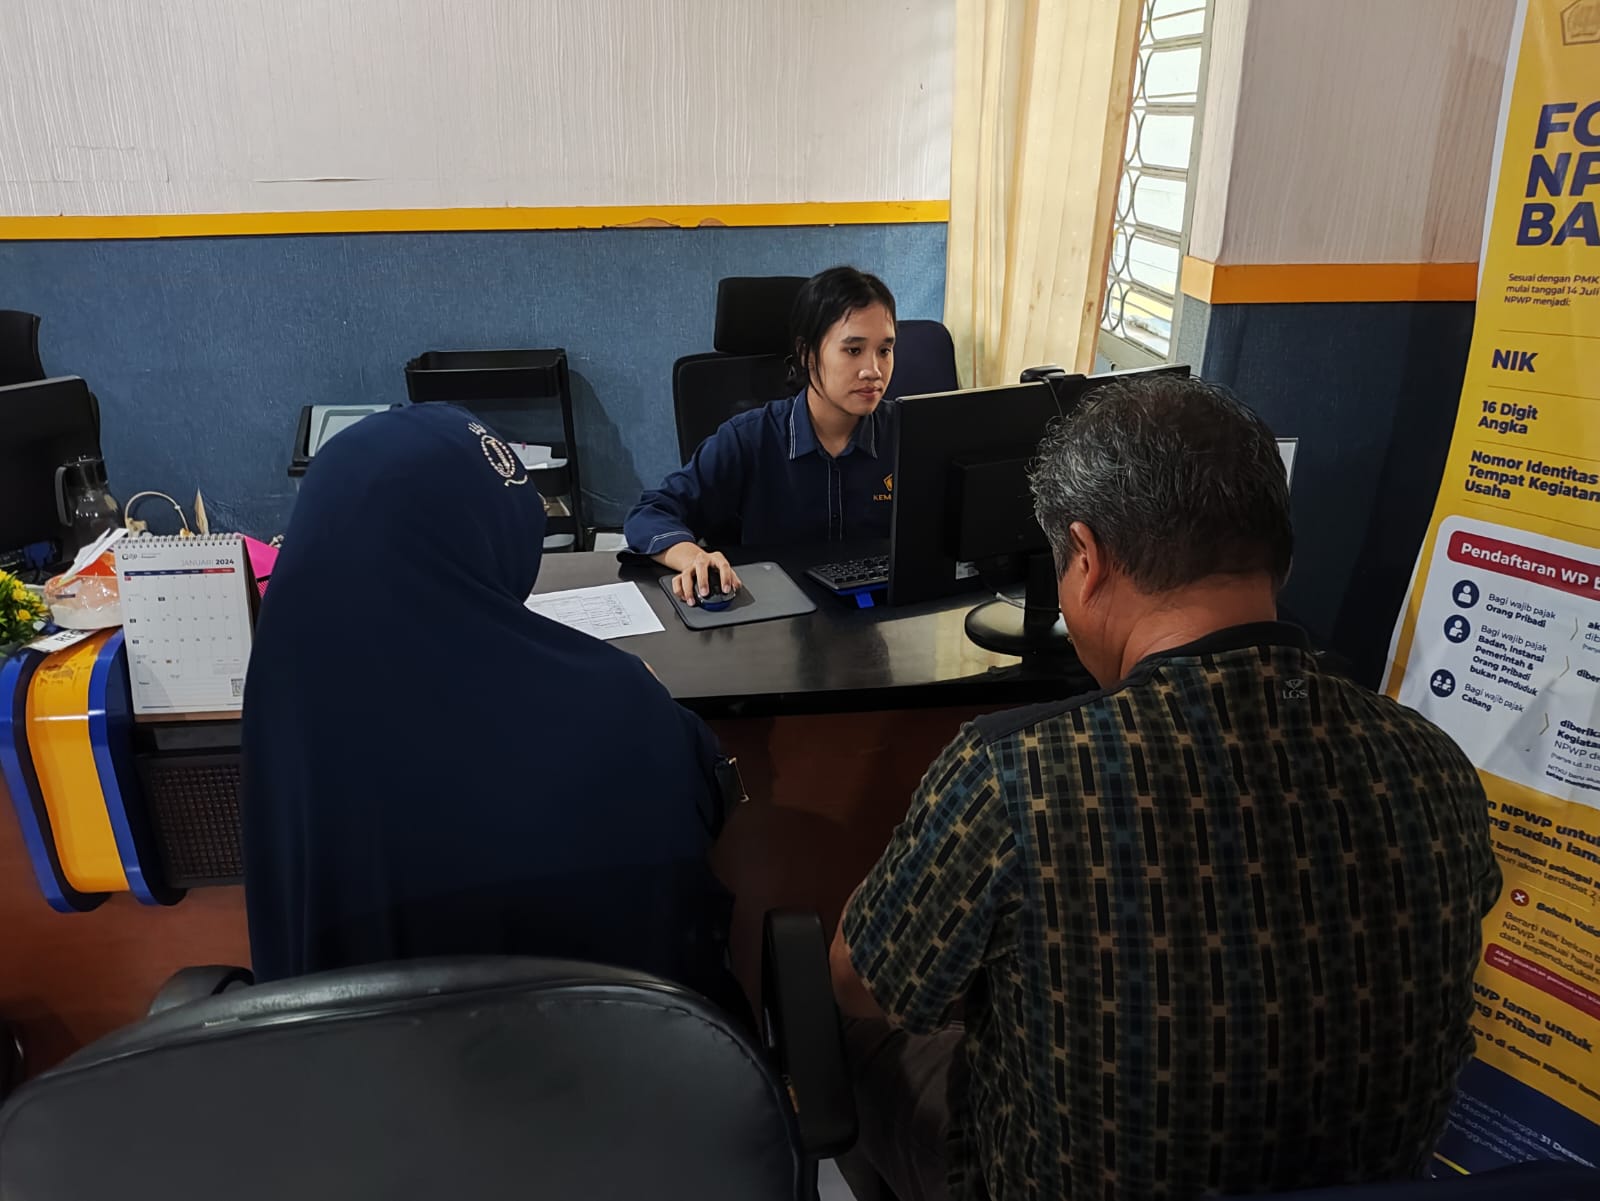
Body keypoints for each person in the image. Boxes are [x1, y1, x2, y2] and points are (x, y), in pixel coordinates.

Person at [828, 375, 1501, 1201]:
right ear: (1282, 554)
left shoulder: (1015, 775)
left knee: (860, 1035)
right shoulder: (1436, 767)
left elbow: (862, 981)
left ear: (1086, 559)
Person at [241, 403, 742, 1017]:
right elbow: (703, 796)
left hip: (341, 1064)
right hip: (605, 1061)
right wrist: (640, 697)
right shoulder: (611, 707)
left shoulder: (281, 703)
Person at [624, 266, 899, 605]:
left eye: (884, 350)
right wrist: (694, 557)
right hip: (774, 615)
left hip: (885, 615)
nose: (873, 370)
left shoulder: (907, 433)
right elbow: (650, 513)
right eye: (853, 350)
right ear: (807, 354)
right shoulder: (750, 438)